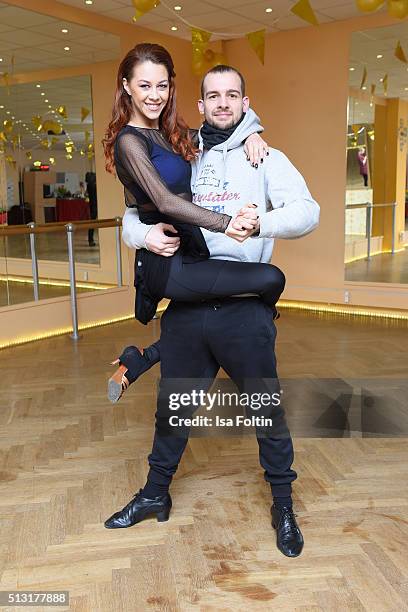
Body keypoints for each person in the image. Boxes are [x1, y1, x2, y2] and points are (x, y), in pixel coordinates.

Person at [104, 57, 320, 558]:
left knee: (266, 412)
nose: (223, 104)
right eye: (213, 96)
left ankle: (283, 505)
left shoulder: (266, 156)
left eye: (233, 96)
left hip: (243, 308)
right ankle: (155, 494)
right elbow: (136, 212)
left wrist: (261, 222)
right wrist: (143, 234)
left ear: (246, 103)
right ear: (200, 104)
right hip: (186, 303)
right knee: (173, 410)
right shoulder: (182, 151)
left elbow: (308, 212)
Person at [102, 43, 286, 403]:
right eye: (144, 86)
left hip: (193, 253)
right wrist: (226, 223)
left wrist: (251, 132)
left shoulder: (172, 134)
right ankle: (259, 319)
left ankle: (139, 360)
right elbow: (164, 202)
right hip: (170, 264)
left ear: (171, 87)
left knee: (202, 323)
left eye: (162, 85)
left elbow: (222, 124)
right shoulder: (130, 141)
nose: (154, 96)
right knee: (270, 279)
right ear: (126, 86)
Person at [86, 171, 98, 246]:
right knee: (92, 223)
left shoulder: (89, 186)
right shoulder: (92, 186)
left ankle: (90, 239)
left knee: (92, 224)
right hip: (94, 207)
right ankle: (90, 240)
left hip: (93, 206)